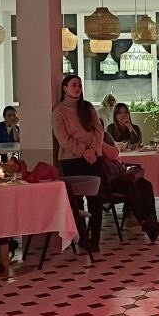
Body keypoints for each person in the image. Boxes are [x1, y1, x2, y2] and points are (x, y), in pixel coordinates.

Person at [53, 74, 106, 252]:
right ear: (65, 88)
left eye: (79, 85)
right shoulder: (59, 111)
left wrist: (94, 150)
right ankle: (83, 237)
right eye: (74, 85)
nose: (77, 88)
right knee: (77, 200)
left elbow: (99, 130)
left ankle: (95, 239)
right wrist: (84, 151)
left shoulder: (88, 107)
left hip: (94, 157)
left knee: (96, 199)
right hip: (72, 159)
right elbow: (64, 139)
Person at [100, 131, 159, 243]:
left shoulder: (105, 136)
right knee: (131, 187)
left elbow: (115, 153)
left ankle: (152, 221)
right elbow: (112, 154)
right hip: (108, 180)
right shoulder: (92, 140)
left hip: (119, 173)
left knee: (145, 185)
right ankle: (146, 223)